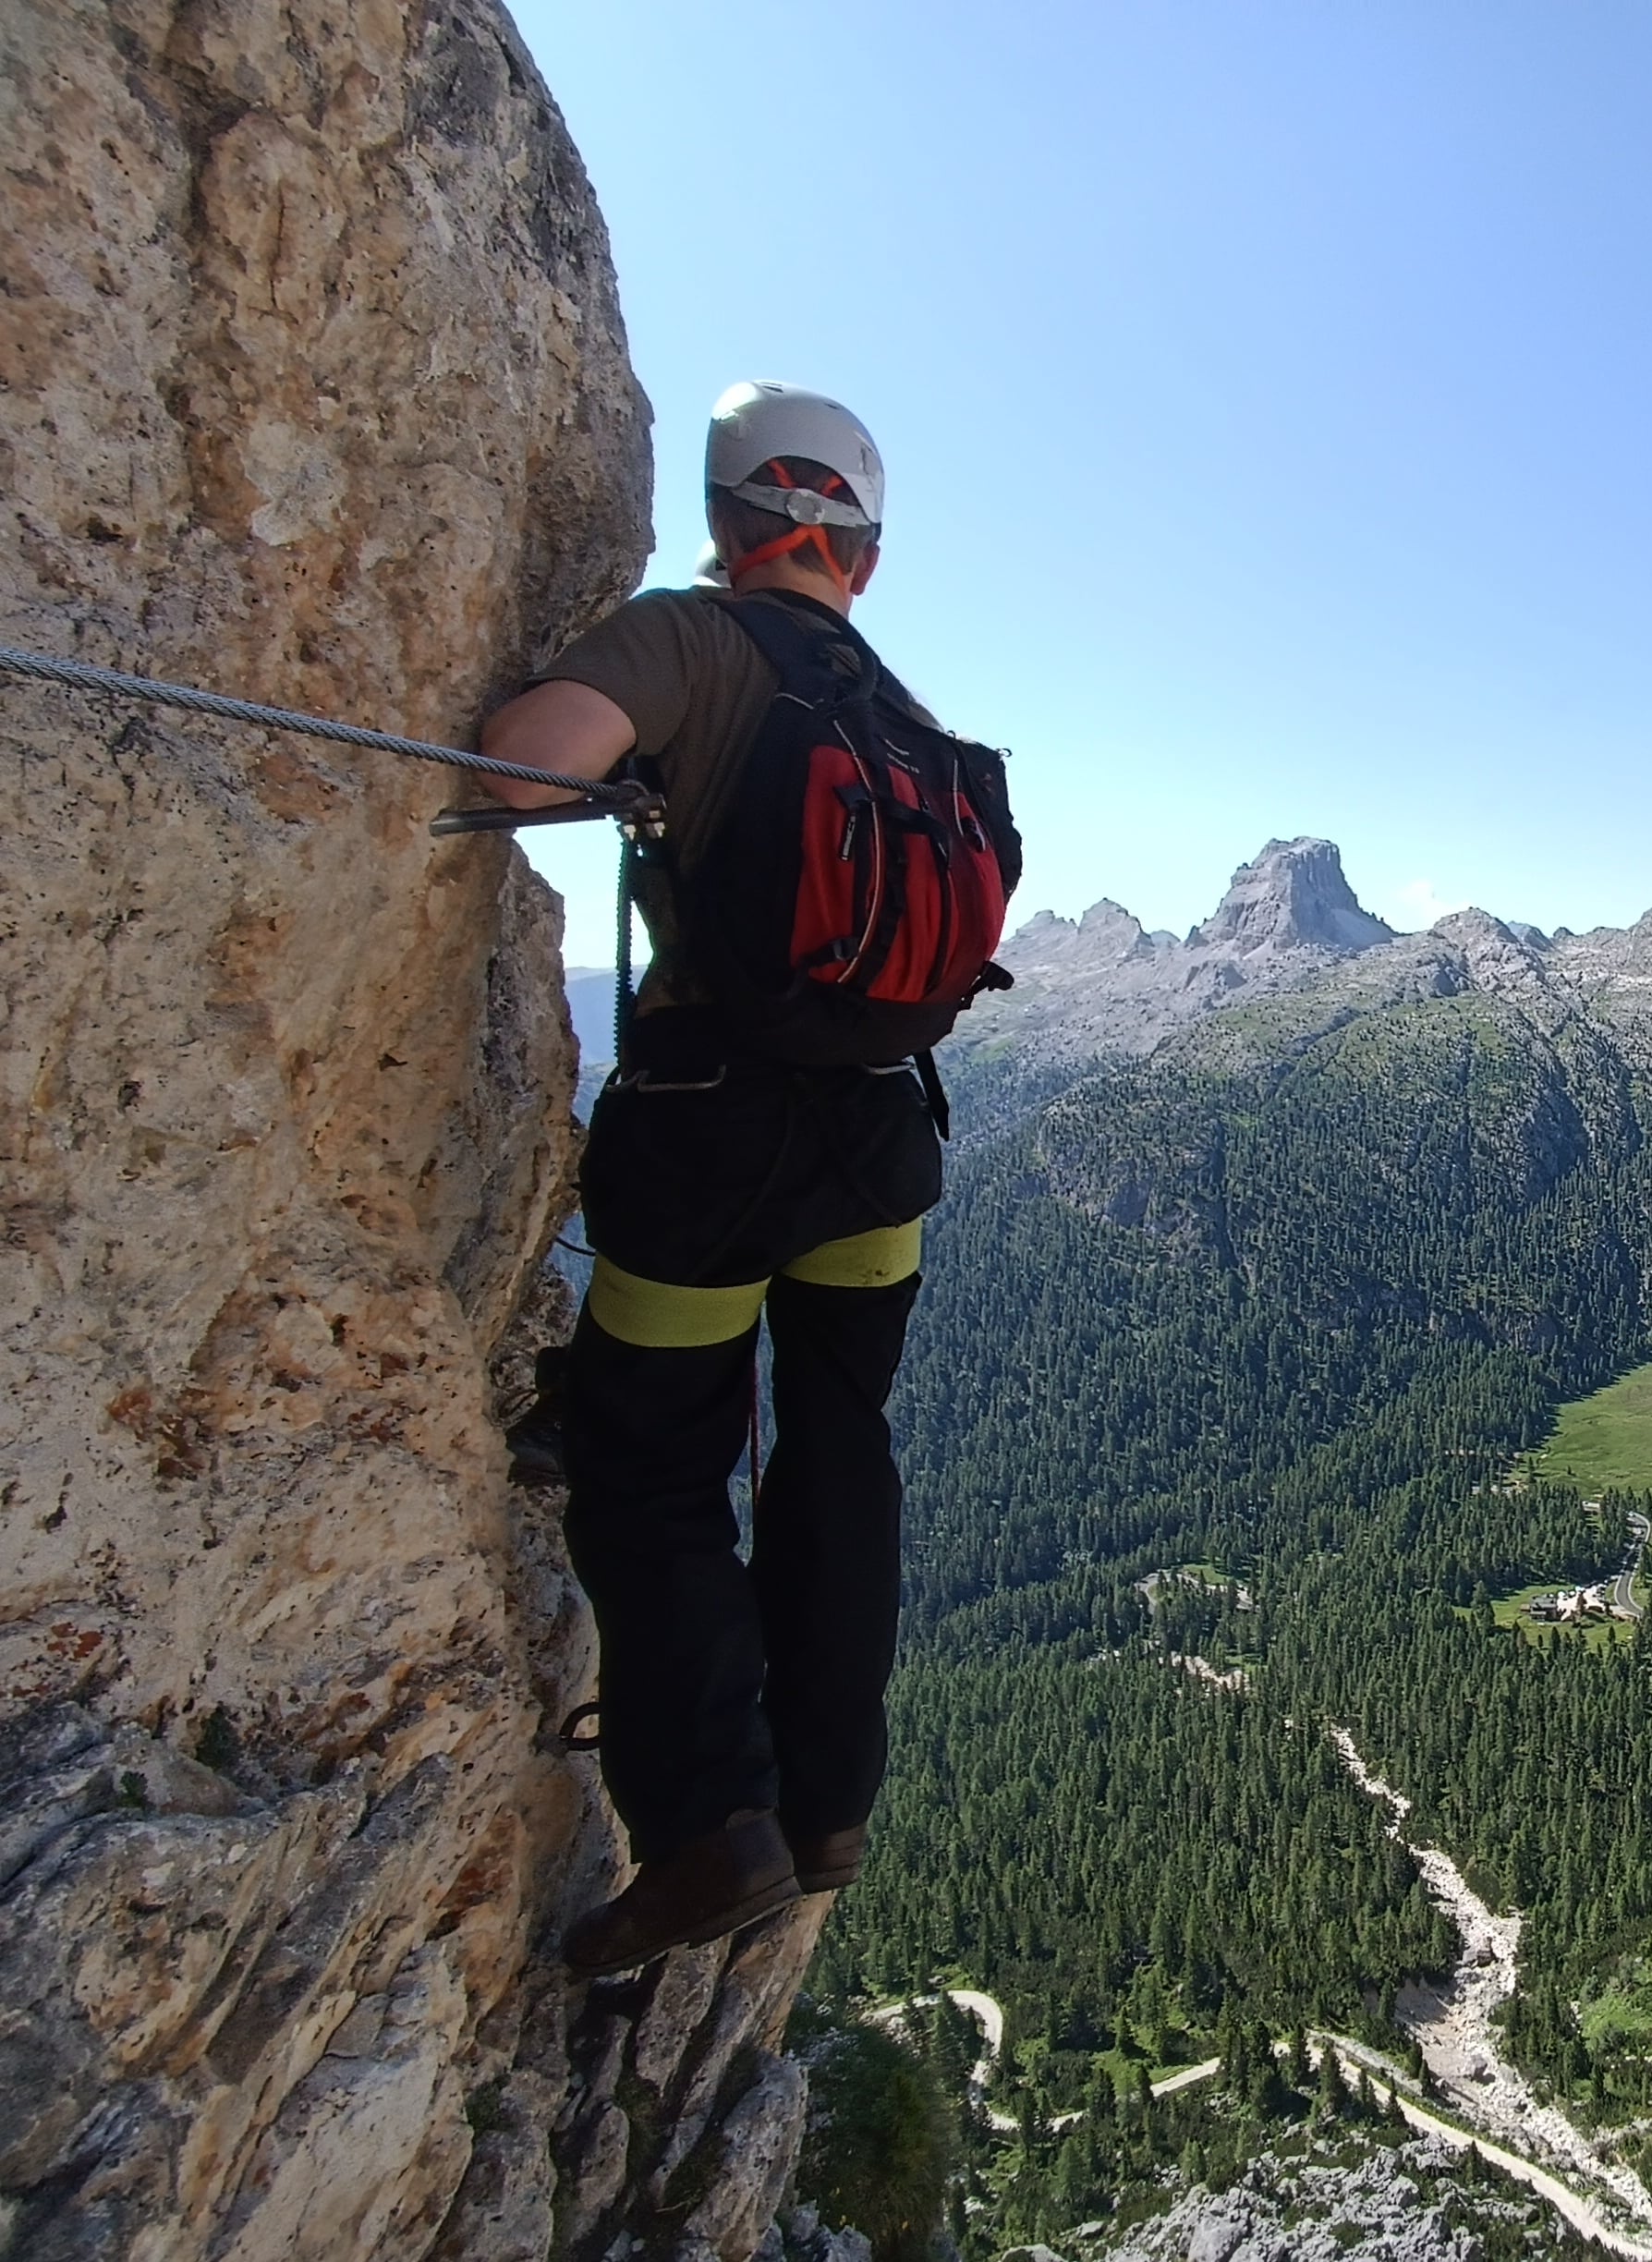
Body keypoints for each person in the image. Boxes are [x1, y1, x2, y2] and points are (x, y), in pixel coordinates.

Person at [481, 381, 1019, 1974]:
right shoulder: (905, 714)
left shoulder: (688, 642)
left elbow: (520, 771)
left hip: (712, 1141)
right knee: (838, 1452)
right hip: (880, 1152)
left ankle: (711, 1824)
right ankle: (833, 1804)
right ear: (861, 551)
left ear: (728, 523)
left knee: (653, 1464)